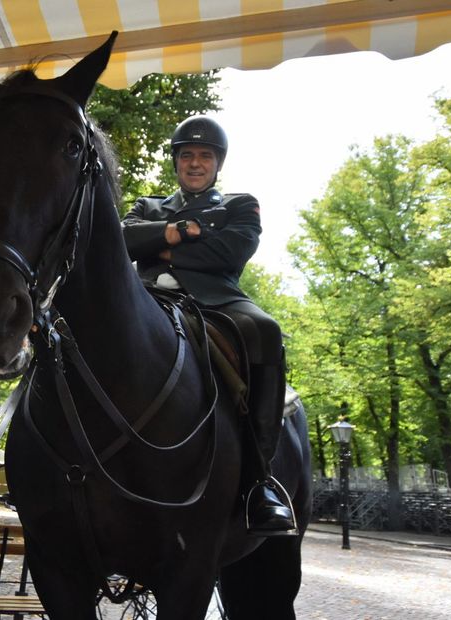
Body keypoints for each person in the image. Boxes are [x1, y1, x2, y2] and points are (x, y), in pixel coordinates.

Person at [122, 115, 295, 535]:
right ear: (176, 162)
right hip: (147, 295)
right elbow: (121, 240)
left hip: (217, 299)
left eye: (204, 156)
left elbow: (230, 252)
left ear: (218, 164)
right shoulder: (148, 205)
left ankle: (260, 481)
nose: (195, 163)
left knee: (266, 332)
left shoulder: (239, 204)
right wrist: (182, 231)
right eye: (187, 156)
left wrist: (161, 246)